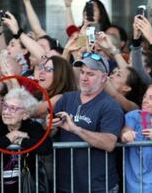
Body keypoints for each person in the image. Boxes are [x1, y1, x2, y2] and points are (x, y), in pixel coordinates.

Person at [52, 52, 124, 193]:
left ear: (104, 77)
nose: (84, 78)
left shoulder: (110, 106)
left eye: (90, 74)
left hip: (98, 187)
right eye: (82, 72)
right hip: (65, 185)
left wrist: (76, 129)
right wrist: (50, 126)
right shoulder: (67, 98)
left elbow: (109, 143)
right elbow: (50, 131)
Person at [0, 88, 52, 193]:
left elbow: (46, 147)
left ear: (25, 114)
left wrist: (22, 141)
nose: (6, 112)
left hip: (26, 187)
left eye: (13, 108)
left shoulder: (32, 127)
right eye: (5, 107)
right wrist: (11, 136)